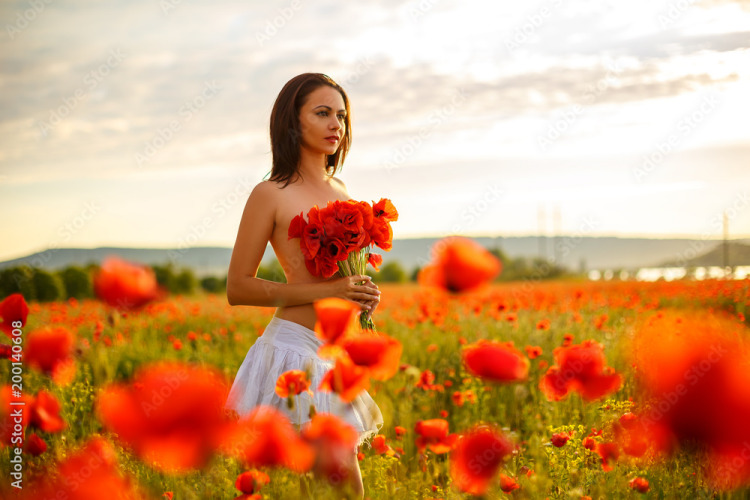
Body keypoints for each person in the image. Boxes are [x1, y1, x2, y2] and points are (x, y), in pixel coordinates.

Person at [224, 73, 383, 498]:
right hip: (293, 353)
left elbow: (341, 279)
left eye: (342, 116)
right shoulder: (270, 193)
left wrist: (362, 294)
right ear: (293, 122)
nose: (337, 125)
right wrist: (328, 292)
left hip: (333, 353)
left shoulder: (342, 190)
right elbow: (238, 288)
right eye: (323, 113)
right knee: (344, 488)